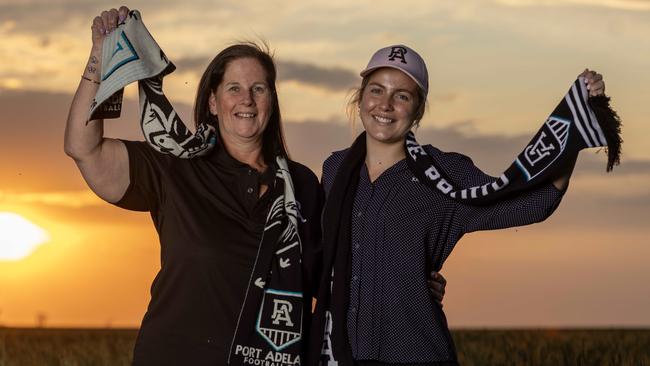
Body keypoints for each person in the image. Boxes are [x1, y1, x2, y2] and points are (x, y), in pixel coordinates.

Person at [64, 7, 448, 365]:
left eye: (259, 89)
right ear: (212, 102)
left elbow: (328, 276)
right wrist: (100, 60)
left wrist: (406, 280)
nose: (246, 99)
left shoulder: (303, 187)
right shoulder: (174, 168)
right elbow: (85, 147)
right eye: (233, 88)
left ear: (271, 101)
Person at [309, 44, 609, 365]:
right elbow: (321, 257)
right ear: (360, 97)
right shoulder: (335, 169)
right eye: (377, 90)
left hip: (416, 354)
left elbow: (531, 204)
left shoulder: (446, 173)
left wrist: (573, 133)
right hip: (338, 355)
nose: (385, 104)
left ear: (418, 109)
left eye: (402, 96)